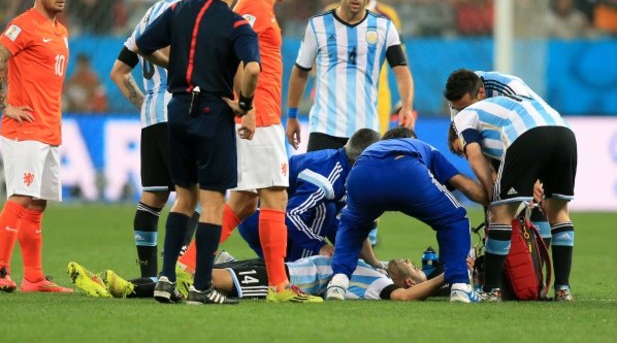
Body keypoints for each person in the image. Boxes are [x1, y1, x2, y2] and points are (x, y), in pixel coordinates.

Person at [178, 0, 322, 303]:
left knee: (244, 200)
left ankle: (188, 264)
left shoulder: (259, 8)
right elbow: (238, 57)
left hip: (259, 113)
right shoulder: (255, 7)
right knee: (276, 195)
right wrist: (248, 107)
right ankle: (278, 287)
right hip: (262, 115)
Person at [134, 0, 261, 305]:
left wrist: (173, 65)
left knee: (184, 198)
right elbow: (251, 69)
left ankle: (164, 279)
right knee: (213, 202)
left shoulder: (180, 11)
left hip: (177, 110)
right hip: (212, 113)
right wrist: (245, 104)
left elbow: (142, 44)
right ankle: (202, 287)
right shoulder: (238, 26)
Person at [109, 0, 209, 279]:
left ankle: (149, 276)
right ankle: (174, 267)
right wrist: (183, 70)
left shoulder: (148, 14)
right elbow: (151, 52)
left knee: (153, 197)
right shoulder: (177, 12)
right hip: (177, 111)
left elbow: (118, 72)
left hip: (153, 115)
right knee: (195, 197)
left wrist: (144, 104)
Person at [0, 0, 73, 293]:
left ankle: (33, 277)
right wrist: (4, 104)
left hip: (50, 129)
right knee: (21, 195)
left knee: (38, 203)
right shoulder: (23, 25)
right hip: (25, 128)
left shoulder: (60, 31)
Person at [325, 126, 488, 303]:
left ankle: (338, 283)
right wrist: (494, 201)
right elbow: (465, 185)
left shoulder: (375, 147)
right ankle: (459, 286)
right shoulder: (423, 146)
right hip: (407, 172)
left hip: (362, 172)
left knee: (352, 225)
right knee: (455, 220)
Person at [450, 95, 577, 302]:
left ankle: (491, 290)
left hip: (527, 135)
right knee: (559, 212)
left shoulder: (461, 118)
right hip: (565, 133)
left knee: (500, 213)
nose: (462, 153)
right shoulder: (499, 113)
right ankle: (563, 289)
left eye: (458, 149)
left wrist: (493, 196)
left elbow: (473, 154)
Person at [286, 0, 415, 153]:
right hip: (323, 128)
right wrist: (292, 115)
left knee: (363, 184)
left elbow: (402, 71)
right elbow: (300, 72)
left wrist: (407, 106)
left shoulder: (385, 27)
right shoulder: (318, 25)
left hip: (366, 131)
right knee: (316, 183)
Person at [236, 128, 382, 263]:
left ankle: (228, 267)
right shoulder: (325, 180)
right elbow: (293, 215)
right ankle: (299, 279)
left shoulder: (341, 168)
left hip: (264, 217)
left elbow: (340, 225)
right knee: (326, 208)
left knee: (274, 271)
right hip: (260, 218)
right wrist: (320, 246)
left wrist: (371, 264)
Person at [443, 68, 552, 246]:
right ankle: (498, 253)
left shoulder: (512, 89)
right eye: (458, 109)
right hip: (500, 142)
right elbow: (472, 144)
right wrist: (492, 180)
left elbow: (530, 130)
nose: (462, 112)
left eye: (466, 108)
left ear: (481, 92)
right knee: (493, 190)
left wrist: (529, 176)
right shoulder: (459, 102)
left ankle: (536, 264)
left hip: (539, 137)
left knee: (537, 197)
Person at [68, 253, 451, 302]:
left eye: (416, 270)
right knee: (204, 272)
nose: (410, 261)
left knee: (208, 278)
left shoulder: (384, 286)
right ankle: (121, 285)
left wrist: (440, 279)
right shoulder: (377, 265)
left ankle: (120, 287)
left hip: (281, 280)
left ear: (408, 283)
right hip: (277, 265)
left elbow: (403, 300)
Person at [323, 0, 406, 134]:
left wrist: (404, 100)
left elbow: (400, 62)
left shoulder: (387, 16)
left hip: (376, 96)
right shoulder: (331, 13)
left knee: (373, 150)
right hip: (338, 97)